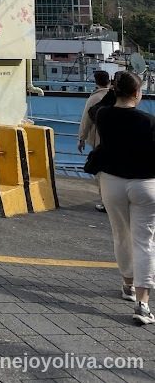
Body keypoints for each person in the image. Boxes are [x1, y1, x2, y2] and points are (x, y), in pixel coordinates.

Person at [94, 71, 155, 325]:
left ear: (115, 91)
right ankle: (143, 303)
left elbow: (100, 106)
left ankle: (127, 284)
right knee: (145, 241)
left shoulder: (103, 115)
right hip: (145, 184)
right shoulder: (149, 121)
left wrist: (112, 92)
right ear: (137, 93)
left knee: (121, 233)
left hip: (112, 182)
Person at [78, 69, 113, 212]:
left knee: (101, 172)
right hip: (116, 140)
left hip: (99, 140)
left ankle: (105, 202)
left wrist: (81, 139)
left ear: (96, 82)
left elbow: (86, 121)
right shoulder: (115, 96)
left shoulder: (93, 99)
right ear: (109, 81)